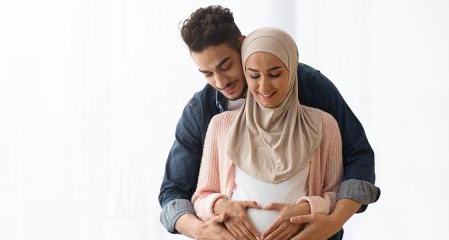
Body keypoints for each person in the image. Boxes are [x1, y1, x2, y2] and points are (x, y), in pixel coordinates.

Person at [158, 5, 380, 240]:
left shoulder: (309, 86)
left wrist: (331, 222)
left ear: (243, 46)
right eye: (207, 73)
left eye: (225, 66)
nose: (220, 81)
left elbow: (358, 158)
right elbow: (174, 192)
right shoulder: (204, 113)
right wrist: (203, 230)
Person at [192, 27, 343, 240]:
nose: (263, 86)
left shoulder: (324, 125)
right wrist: (224, 206)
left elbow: (335, 195)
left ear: (292, 70)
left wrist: (306, 208)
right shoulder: (220, 125)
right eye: (253, 75)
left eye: (274, 74)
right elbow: (201, 198)